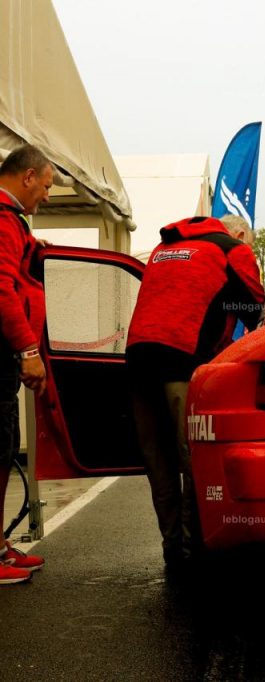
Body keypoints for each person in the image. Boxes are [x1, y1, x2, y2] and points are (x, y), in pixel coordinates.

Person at [127, 216, 265, 565]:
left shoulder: (164, 248)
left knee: (158, 461)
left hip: (138, 361)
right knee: (194, 459)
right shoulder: (232, 251)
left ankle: (171, 547)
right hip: (182, 361)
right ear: (240, 235)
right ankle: (194, 552)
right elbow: (259, 315)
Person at [0, 145, 52, 584]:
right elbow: (1, 290)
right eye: (48, 186)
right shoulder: (3, 218)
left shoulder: (11, 222)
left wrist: (36, 247)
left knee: (3, 450)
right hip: (3, 355)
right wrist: (29, 351)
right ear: (29, 176)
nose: (48, 196)